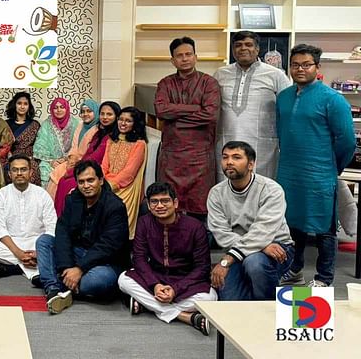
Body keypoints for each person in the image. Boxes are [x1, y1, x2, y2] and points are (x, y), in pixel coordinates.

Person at [276, 44, 355, 287]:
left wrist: (333, 168)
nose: (300, 69)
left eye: (306, 64)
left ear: (317, 68)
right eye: (295, 64)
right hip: (289, 172)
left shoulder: (333, 99)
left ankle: (324, 277)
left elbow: (347, 141)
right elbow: (281, 133)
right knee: (292, 223)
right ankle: (294, 269)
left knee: (324, 227)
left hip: (320, 173)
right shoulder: (284, 97)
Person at [117, 182, 216, 336]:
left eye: (165, 201)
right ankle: (186, 317)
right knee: (123, 279)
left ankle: (148, 305)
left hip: (185, 280)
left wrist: (176, 289)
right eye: (154, 202)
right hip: (155, 278)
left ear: (175, 203)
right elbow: (139, 258)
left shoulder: (195, 227)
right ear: (149, 206)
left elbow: (202, 267)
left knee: (210, 298)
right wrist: (155, 285)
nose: (160, 206)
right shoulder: (144, 222)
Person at [36, 160, 130, 314]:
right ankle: (54, 290)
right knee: (44, 241)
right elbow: (63, 232)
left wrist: (79, 269)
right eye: (81, 182)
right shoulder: (73, 199)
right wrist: (67, 267)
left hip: (104, 262)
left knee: (100, 280)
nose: (86, 186)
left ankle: (55, 281)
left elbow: (108, 246)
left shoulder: (115, 206)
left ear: (100, 180)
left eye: (90, 180)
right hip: (77, 252)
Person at [208, 141, 294, 300]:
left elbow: (264, 230)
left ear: (251, 165)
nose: (229, 162)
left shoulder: (271, 189)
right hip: (248, 249)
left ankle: (269, 307)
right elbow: (221, 234)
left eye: (236, 157)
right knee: (230, 300)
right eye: (225, 157)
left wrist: (227, 260)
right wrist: (261, 246)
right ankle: (256, 297)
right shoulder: (216, 193)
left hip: (277, 247)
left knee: (254, 263)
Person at [154, 37, 221, 221]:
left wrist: (176, 119)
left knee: (199, 208)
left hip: (199, 157)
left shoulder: (209, 83)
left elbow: (210, 115)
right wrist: (193, 109)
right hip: (172, 157)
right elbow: (161, 110)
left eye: (188, 54)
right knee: (168, 205)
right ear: (172, 60)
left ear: (196, 57)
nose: (185, 59)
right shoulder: (165, 83)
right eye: (179, 56)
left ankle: (198, 245)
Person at [214, 31, 290, 180]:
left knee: (261, 189)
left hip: (263, 148)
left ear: (257, 49)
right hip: (226, 144)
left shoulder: (276, 75)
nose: (243, 49)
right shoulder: (220, 74)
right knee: (226, 189)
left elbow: (288, 110)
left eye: (248, 45)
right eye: (238, 45)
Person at [0, 155, 57, 283]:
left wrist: (38, 252)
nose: (19, 173)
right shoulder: (1, 195)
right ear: (9, 174)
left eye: (23, 169)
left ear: (30, 172)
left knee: (56, 250)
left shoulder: (42, 194)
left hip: (37, 243)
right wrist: (18, 253)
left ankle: (15, 268)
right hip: (11, 243)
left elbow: (51, 227)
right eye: (15, 170)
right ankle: (35, 270)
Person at [53, 101, 120, 215]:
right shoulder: (99, 132)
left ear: (117, 116)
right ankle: (59, 219)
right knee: (63, 181)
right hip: (87, 166)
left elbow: (95, 158)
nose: (104, 117)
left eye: (109, 114)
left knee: (68, 183)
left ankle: (70, 220)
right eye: (102, 114)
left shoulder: (112, 135)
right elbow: (87, 154)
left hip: (97, 170)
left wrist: (74, 171)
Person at [101, 106, 148, 238]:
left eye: (128, 121)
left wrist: (108, 186)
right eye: (120, 119)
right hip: (106, 182)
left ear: (135, 124)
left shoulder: (139, 144)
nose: (123, 123)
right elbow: (104, 165)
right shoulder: (112, 139)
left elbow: (129, 173)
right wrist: (100, 180)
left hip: (125, 187)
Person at [46, 99, 100, 199]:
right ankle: (53, 209)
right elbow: (74, 146)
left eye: (89, 111)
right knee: (56, 172)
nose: (85, 114)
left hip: (86, 162)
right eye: (83, 111)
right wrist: (71, 158)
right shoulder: (80, 125)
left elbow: (91, 153)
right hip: (74, 160)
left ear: (96, 112)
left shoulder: (98, 129)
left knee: (65, 180)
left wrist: (76, 162)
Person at [35, 98, 80, 188]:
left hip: (70, 160)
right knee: (44, 172)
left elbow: (78, 145)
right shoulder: (46, 124)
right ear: (52, 110)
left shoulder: (76, 124)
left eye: (62, 107)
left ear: (67, 109)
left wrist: (66, 159)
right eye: (56, 108)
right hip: (49, 160)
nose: (59, 110)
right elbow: (40, 145)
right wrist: (51, 161)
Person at [4, 92, 41, 185]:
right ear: (14, 105)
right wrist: (10, 157)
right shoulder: (6, 124)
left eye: (25, 104)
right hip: (11, 157)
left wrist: (31, 157)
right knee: (8, 170)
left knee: (33, 170)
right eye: (19, 103)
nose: (22, 106)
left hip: (30, 158)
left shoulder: (35, 124)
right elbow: (3, 144)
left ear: (29, 106)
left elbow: (39, 146)